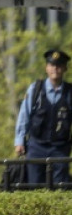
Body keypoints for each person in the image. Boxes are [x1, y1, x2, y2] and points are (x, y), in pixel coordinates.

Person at [15, 49, 72, 186]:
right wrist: (19, 141)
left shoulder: (70, 92)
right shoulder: (36, 89)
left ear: (64, 68)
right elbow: (24, 116)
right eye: (52, 65)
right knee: (34, 186)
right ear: (46, 67)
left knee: (60, 188)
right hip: (36, 146)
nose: (55, 69)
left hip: (60, 148)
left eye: (59, 66)